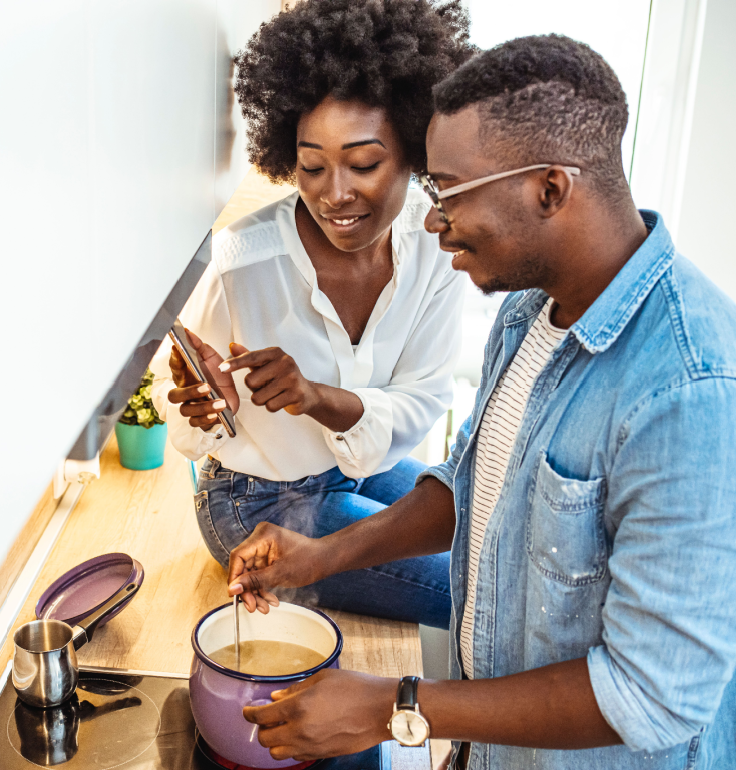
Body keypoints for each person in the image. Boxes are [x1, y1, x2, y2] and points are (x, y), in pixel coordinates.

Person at [227, 34, 736, 769]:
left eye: (450, 192)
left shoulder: (689, 390)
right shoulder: (530, 311)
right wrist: (319, 556)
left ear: (550, 189)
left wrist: (395, 707)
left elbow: (650, 695)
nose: (434, 221)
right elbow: (470, 487)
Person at [149, 0, 472, 629]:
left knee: (486, 533)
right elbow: (188, 423)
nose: (335, 194)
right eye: (311, 165)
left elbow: (424, 398)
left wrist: (315, 396)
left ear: (413, 147)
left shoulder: (435, 248)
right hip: (252, 501)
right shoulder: (242, 260)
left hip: (355, 471)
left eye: (365, 163)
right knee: (471, 591)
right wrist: (203, 404)